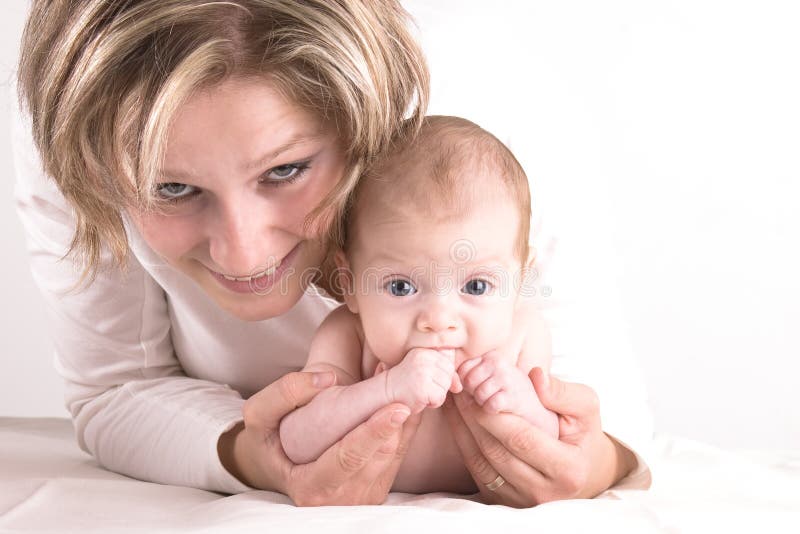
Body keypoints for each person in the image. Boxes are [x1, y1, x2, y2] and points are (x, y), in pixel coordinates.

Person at [13, 0, 651, 507]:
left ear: (366, 115)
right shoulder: (81, 125)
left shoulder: (488, 120)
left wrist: (588, 461)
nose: (244, 253)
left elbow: (609, 412)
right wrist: (248, 456)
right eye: (172, 189)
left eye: (286, 170)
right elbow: (115, 391)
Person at [279, 115, 560, 494]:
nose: (439, 320)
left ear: (520, 279)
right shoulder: (347, 334)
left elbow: (551, 444)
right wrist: (386, 390)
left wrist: (520, 400)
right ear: (350, 285)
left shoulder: (523, 334)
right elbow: (297, 441)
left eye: (476, 286)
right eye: (400, 287)